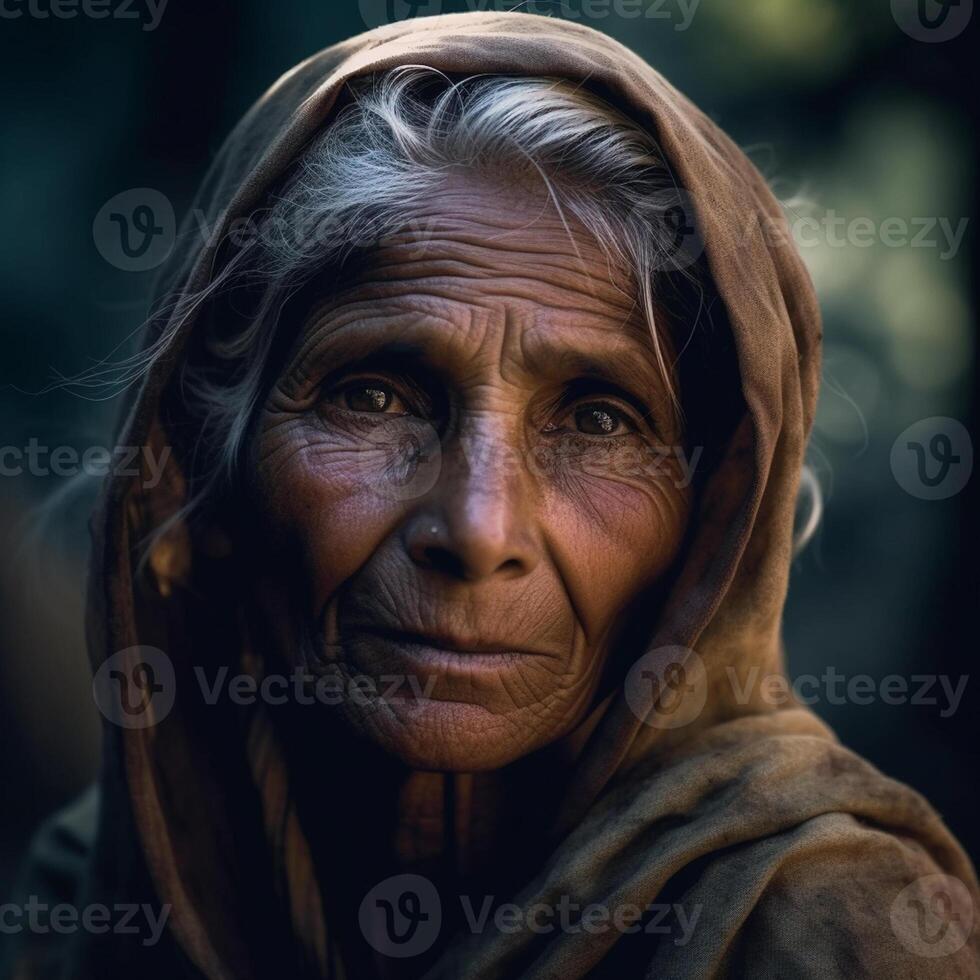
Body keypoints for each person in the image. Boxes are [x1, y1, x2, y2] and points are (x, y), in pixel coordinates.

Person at [4, 12, 977, 979]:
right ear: (202, 472)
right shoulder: (114, 885)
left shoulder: (825, 925)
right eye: (372, 395)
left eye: (597, 420)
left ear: (714, 519)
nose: (476, 528)